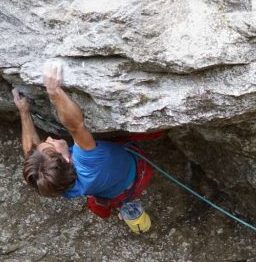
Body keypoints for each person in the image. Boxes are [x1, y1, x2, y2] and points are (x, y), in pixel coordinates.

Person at [13, 60, 153, 232]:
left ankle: (124, 214)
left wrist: (24, 111)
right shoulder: (89, 162)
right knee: (150, 129)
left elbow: (31, 154)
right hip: (140, 170)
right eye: (51, 144)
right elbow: (76, 126)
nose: (49, 138)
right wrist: (54, 91)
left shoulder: (56, 182)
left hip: (112, 193)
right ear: (66, 158)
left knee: (98, 207)